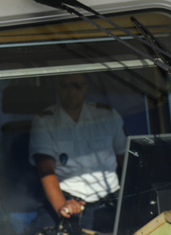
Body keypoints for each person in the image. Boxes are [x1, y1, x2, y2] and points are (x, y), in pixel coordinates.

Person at [28, 73, 126, 234]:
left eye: (78, 85)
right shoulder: (45, 120)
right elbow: (45, 169)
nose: (71, 90)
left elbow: (126, 158)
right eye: (65, 85)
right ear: (57, 87)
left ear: (86, 87)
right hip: (66, 199)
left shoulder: (107, 115)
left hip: (110, 200)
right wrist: (62, 207)